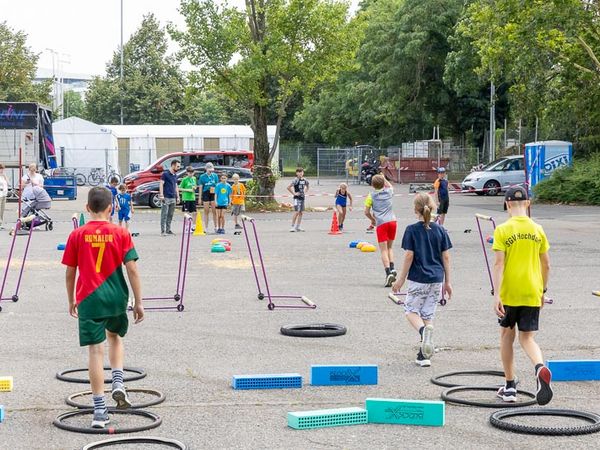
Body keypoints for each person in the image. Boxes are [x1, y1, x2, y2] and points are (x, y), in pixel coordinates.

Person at [61, 187, 144, 429]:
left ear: (87, 208)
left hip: (88, 298)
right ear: (112, 208)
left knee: (95, 352)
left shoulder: (77, 235)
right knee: (115, 338)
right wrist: (138, 301)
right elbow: (132, 269)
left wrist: (70, 299)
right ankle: (118, 382)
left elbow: (69, 272)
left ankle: (99, 411)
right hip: (116, 297)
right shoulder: (121, 233)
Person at [492, 186, 553, 405]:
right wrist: (542, 291)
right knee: (527, 338)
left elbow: (499, 264)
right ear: (528, 204)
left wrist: (496, 294)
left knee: (507, 336)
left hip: (510, 292)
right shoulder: (538, 229)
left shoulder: (502, 230)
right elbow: (546, 264)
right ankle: (540, 367)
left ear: (507, 204)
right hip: (532, 291)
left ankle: (509, 386)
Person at [391, 193, 453, 367]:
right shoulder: (440, 229)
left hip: (419, 278)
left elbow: (409, 255)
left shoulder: (412, 230)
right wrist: (448, 282)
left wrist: (400, 280)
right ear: (432, 207)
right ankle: (424, 354)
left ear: (415, 209)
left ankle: (423, 332)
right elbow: (446, 257)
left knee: (410, 310)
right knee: (427, 313)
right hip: (437, 279)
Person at [364, 174, 397, 287]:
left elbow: (366, 212)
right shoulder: (389, 192)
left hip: (381, 223)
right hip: (392, 222)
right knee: (390, 247)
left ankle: (388, 272)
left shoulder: (371, 196)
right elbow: (390, 186)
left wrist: (373, 220)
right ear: (383, 183)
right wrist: (384, 178)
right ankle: (392, 268)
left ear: (372, 185)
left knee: (383, 250)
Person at [159, 160, 180, 236]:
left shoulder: (175, 175)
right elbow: (161, 184)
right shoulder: (165, 174)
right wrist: (161, 195)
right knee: (164, 214)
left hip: (173, 197)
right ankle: (163, 231)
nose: (178, 168)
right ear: (173, 165)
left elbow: (176, 186)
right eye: (177, 166)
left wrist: (178, 196)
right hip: (166, 197)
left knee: (170, 215)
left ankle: (168, 230)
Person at [199, 163, 219, 234]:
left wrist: (217, 194)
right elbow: (201, 187)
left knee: (214, 211)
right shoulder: (202, 176)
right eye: (209, 170)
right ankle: (206, 228)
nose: (211, 171)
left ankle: (216, 227)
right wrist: (199, 198)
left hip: (213, 193)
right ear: (206, 169)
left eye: (211, 170)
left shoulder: (215, 176)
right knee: (206, 211)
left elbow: (217, 185)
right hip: (206, 193)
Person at [287, 167, 309, 232]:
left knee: (301, 212)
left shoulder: (305, 180)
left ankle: (298, 227)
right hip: (296, 198)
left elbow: (307, 186)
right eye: (299, 172)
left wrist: (305, 192)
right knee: (296, 212)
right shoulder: (295, 180)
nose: (300, 173)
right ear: (296, 173)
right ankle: (292, 226)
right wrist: (294, 193)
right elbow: (288, 187)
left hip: (302, 198)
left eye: (302, 172)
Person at [179, 166, 198, 231]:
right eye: (189, 173)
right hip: (186, 198)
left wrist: (195, 188)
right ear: (187, 172)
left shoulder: (194, 178)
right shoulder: (184, 179)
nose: (191, 174)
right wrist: (188, 190)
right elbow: (180, 188)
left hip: (192, 198)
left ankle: (194, 226)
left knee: (194, 212)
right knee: (187, 213)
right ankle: (187, 227)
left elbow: (195, 186)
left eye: (192, 172)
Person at [0, 163, 7, 230]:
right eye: (1, 169)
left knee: (2, 209)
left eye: (2, 169)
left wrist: (5, 177)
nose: (2, 170)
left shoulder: (3, 176)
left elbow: (7, 183)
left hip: (4, 193)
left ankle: (0, 223)